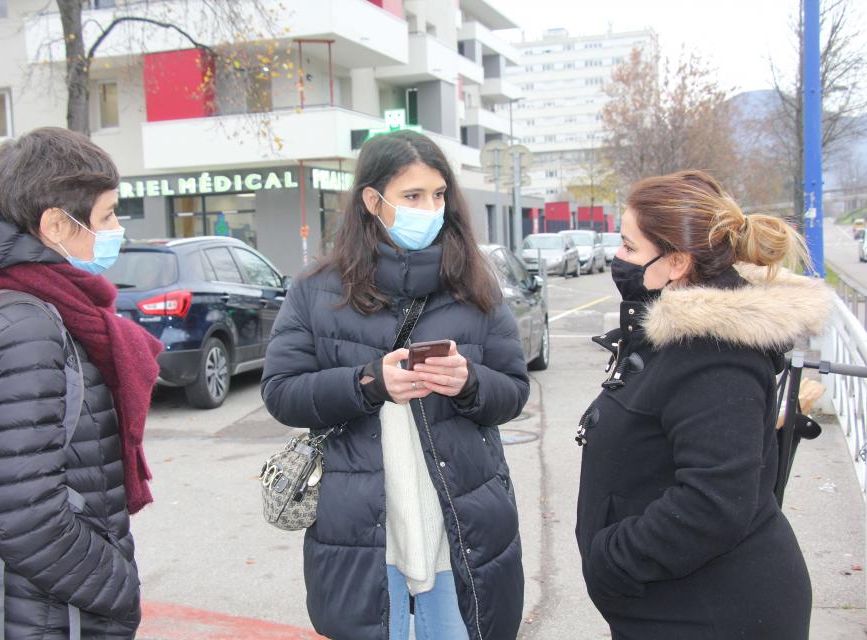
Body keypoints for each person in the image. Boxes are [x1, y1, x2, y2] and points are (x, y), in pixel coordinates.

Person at [261, 130, 528, 640]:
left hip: (459, 534)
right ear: (372, 201)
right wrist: (367, 382)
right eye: (412, 196)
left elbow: (514, 390)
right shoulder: (316, 289)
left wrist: (469, 383)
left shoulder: (474, 286)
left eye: (438, 194)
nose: (430, 208)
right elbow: (281, 392)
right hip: (361, 539)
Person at [575, 170, 832, 639]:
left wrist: (612, 557)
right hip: (679, 603)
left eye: (630, 247)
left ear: (676, 263)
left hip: (713, 614)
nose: (618, 258)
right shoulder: (674, 336)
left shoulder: (714, 356)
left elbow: (713, 505)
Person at [0, 127, 162, 638]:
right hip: (43, 614)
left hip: (44, 604)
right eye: (107, 215)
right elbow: (27, 522)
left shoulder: (34, 308)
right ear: (55, 225)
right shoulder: (28, 329)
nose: (117, 229)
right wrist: (117, 588)